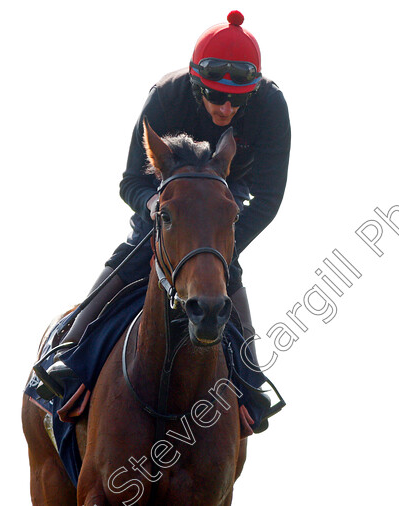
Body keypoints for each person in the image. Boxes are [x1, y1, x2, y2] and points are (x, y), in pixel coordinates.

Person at [59, 10, 291, 359]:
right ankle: (69, 352)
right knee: (139, 245)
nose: (226, 108)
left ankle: (250, 381)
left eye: (238, 99)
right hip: (165, 196)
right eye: (215, 95)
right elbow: (132, 181)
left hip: (224, 195)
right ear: (197, 84)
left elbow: (268, 199)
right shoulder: (166, 96)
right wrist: (153, 205)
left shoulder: (271, 105)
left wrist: (219, 243)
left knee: (223, 265)